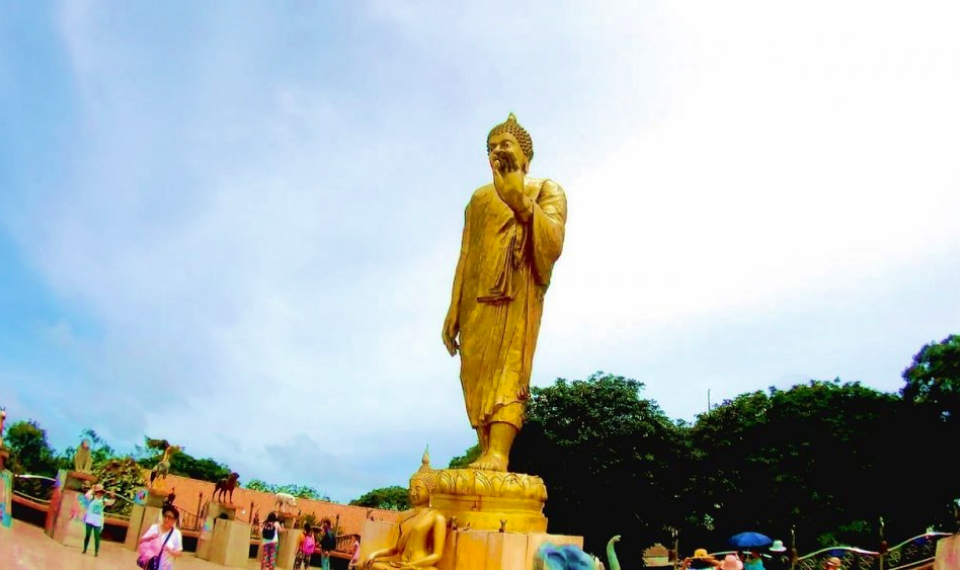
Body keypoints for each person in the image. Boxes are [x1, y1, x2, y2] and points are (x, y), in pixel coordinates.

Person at [442, 113, 567, 472]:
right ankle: (485, 449)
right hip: (475, 298)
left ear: (525, 157)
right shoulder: (478, 199)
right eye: (492, 147)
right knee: (475, 373)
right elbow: (467, 254)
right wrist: (453, 310)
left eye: (505, 145)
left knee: (508, 370)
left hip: (517, 291)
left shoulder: (546, 189)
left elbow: (553, 240)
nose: (498, 150)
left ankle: (499, 452)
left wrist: (520, 202)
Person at [364, 459, 446, 569]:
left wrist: (411, 565)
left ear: (430, 491)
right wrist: (374, 555)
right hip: (401, 563)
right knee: (371, 565)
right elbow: (395, 548)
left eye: (418, 489)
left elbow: (437, 555)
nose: (413, 493)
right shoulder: (404, 515)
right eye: (411, 489)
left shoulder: (437, 517)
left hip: (420, 566)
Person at [138, 504, 183, 570]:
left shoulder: (176, 534)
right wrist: (149, 538)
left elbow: (179, 553)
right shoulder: (154, 528)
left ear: (174, 520)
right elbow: (140, 542)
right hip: (151, 566)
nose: (166, 519)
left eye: (170, 517)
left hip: (165, 567)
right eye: (165, 516)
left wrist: (170, 551)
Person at [80, 483, 115, 556]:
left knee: (97, 536)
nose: (100, 493)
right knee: (88, 535)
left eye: (101, 492)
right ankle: (85, 549)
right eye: (99, 491)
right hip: (89, 519)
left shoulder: (103, 500)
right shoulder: (92, 498)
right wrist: (92, 489)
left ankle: (96, 552)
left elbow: (111, 502)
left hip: (98, 521)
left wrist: (112, 496)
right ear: (96, 492)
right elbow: (86, 496)